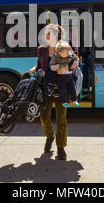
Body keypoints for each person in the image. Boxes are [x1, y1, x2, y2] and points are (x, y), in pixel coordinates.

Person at [28, 24, 68, 160]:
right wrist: (33, 68)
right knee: (44, 117)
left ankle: (61, 147)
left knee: (61, 119)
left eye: (48, 33)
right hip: (45, 88)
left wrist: (63, 66)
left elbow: (74, 62)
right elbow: (39, 64)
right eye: (45, 33)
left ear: (55, 35)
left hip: (62, 88)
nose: (46, 36)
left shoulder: (65, 48)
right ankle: (49, 137)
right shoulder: (42, 50)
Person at [49, 40, 80, 107]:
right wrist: (54, 67)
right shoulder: (55, 58)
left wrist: (75, 63)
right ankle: (64, 101)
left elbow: (76, 58)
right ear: (59, 53)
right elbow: (51, 65)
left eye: (68, 52)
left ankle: (74, 100)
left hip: (69, 75)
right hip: (61, 76)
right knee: (63, 89)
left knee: (73, 88)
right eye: (66, 53)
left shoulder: (70, 54)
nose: (68, 53)